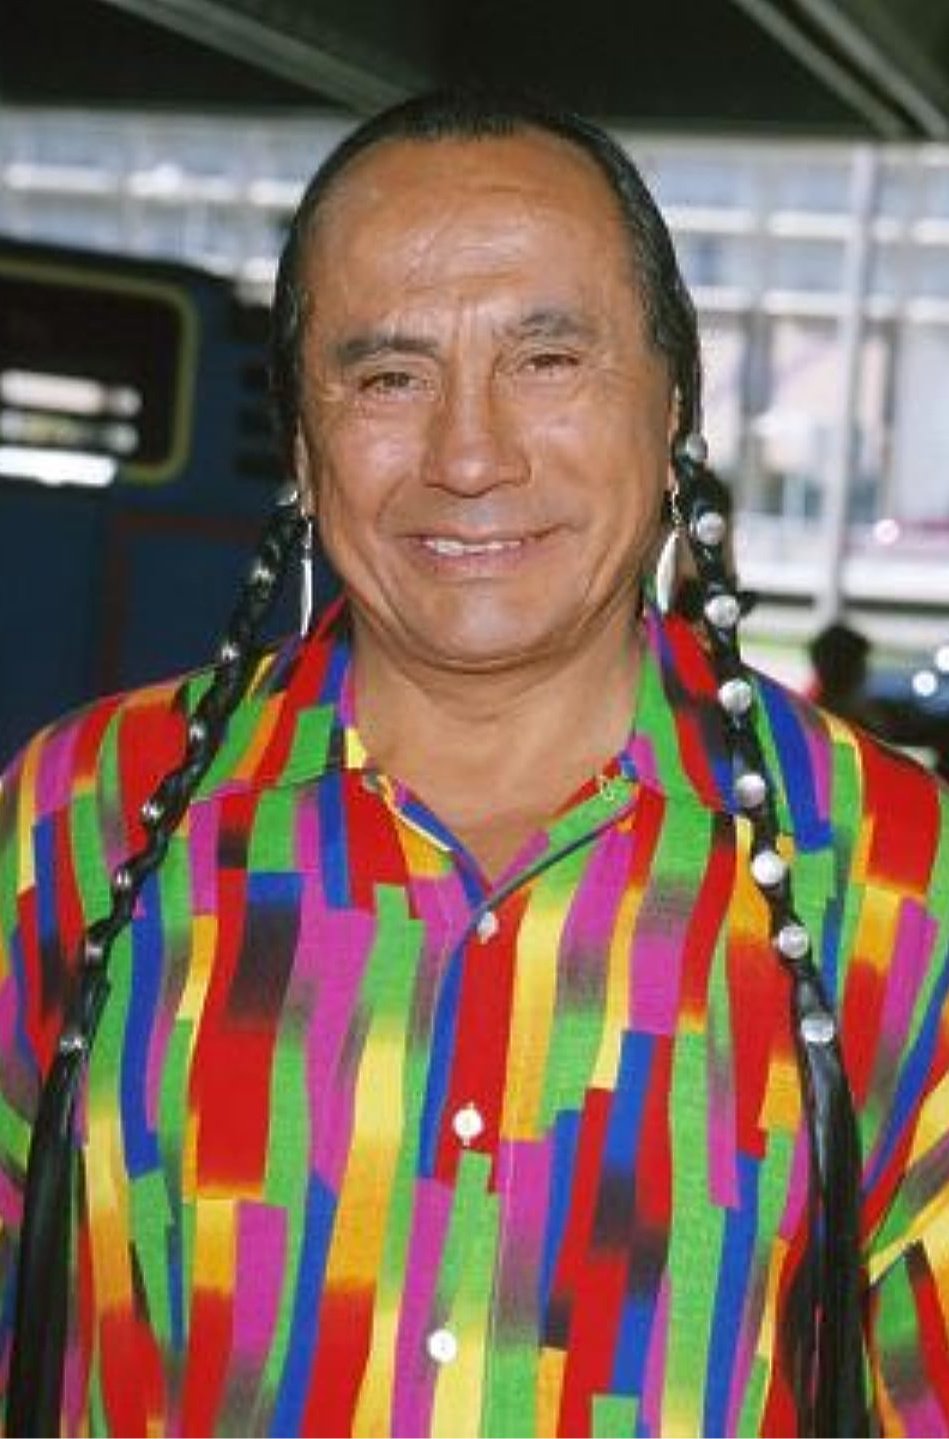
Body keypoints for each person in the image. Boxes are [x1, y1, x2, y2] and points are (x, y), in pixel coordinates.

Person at [1, 90, 947, 1439]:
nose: (468, 455)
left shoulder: (900, 886)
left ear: (673, 404)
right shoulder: (78, 824)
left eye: (547, 361)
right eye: (388, 378)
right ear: (305, 442)